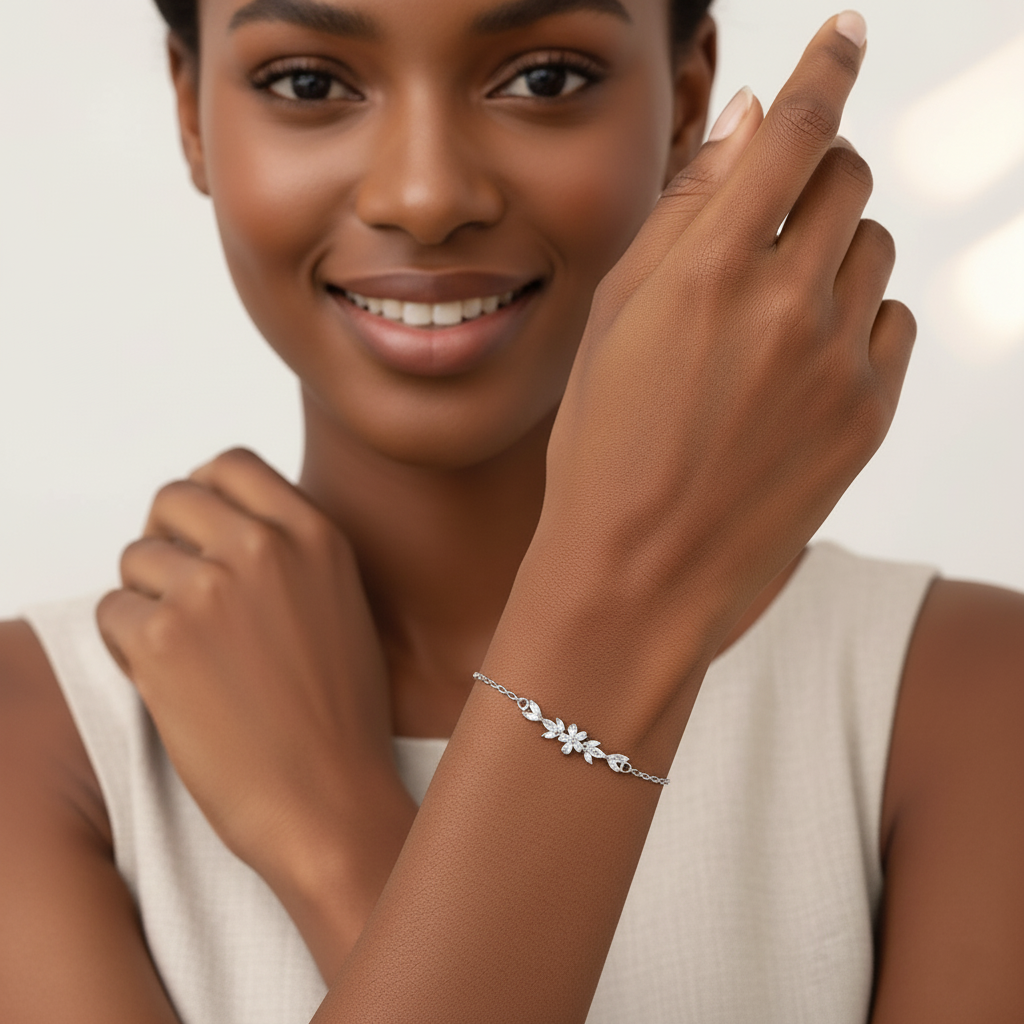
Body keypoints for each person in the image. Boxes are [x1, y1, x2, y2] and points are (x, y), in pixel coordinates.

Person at [0, 0, 1021, 1021]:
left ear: (687, 101)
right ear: (189, 109)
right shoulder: (42, 744)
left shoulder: (966, 700)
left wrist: (342, 846)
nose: (426, 195)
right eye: (309, 83)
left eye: (543, 78)